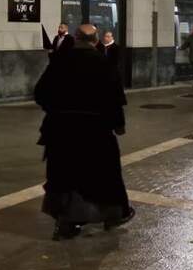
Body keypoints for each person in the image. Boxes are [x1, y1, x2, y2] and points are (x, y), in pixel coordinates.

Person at [35, 24, 134, 240]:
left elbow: (40, 93)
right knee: (103, 174)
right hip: (96, 131)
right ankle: (113, 214)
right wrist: (119, 125)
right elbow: (115, 99)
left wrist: (56, 111)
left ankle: (65, 221)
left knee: (63, 174)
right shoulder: (104, 63)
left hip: (61, 130)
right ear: (96, 40)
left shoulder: (59, 61)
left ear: (76, 38)